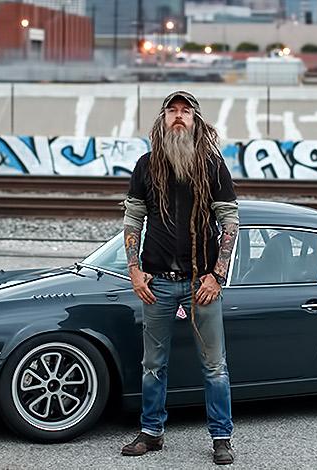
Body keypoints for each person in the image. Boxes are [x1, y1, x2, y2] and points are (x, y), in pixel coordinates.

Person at [120, 91, 239, 465]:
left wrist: (217, 275)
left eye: (185, 111)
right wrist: (135, 270)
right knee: (153, 364)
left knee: (215, 366)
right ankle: (151, 432)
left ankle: (222, 437)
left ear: (196, 121)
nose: (178, 116)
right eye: (172, 110)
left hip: (201, 284)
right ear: (162, 120)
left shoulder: (212, 165)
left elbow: (230, 222)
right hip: (156, 282)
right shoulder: (147, 165)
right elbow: (133, 219)